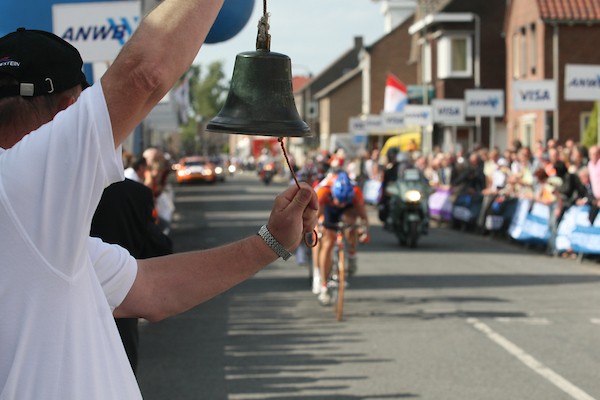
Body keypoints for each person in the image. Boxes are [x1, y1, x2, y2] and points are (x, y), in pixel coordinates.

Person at [0, 3, 318, 398]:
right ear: (69, 112)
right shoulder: (16, 190)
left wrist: (270, 241)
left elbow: (150, 290)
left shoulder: (34, 230)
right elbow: (143, 75)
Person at [90, 178, 173, 375]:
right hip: (121, 303)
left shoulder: (39, 186)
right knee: (119, 373)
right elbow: (159, 248)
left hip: (58, 306)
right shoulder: (132, 193)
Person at [312, 171, 369, 305]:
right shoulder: (323, 192)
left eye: (344, 202)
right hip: (327, 209)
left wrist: (364, 231)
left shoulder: (356, 193)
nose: (341, 204)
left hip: (349, 210)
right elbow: (314, 219)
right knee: (327, 242)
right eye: (339, 201)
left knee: (352, 225)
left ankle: (352, 254)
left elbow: (364, 217)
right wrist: (318, 230)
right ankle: (323, 283)